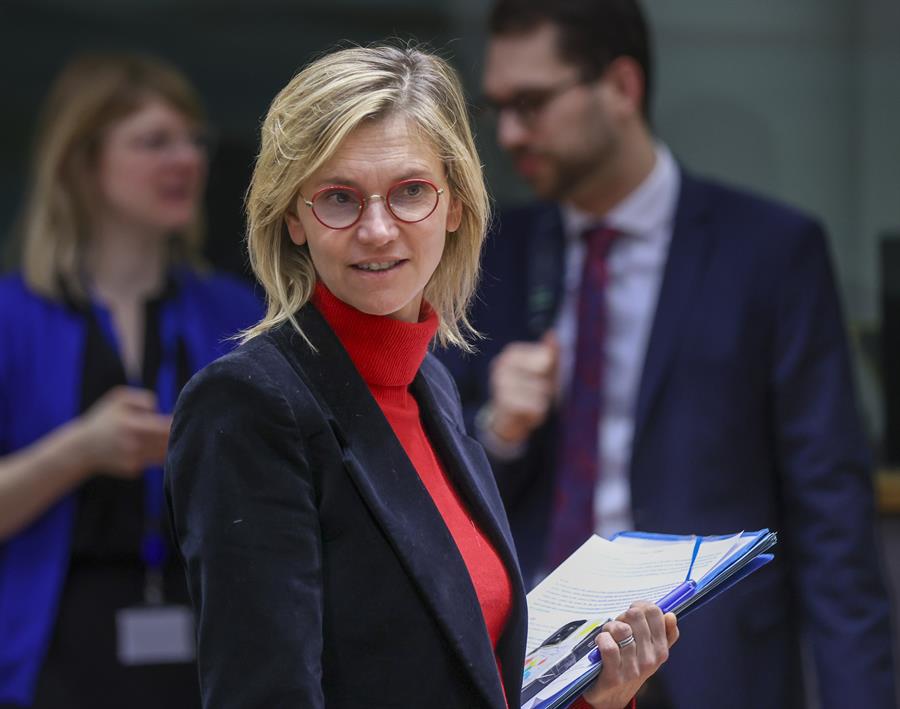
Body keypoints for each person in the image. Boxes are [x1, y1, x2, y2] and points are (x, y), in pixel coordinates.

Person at [165, 44, 678, 709]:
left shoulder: (430, 383)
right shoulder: (248, 405)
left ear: (455, 205)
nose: (378, 230)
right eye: (338, 198)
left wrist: (593, 697)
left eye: (410, 191)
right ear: (293, 217)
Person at [436, 1, 897, 708]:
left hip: (709, 662)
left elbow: (831, 512)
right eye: (498, 106)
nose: (509, 133)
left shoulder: (769, 253)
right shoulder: (490, 255)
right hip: (529, 664)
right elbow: (434, 477)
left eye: (532, 103)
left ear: (621, 87)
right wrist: (500, 428)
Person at [0, 53, 260, 708]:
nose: (186, 160)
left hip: (216, 645)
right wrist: (81, 450)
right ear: (82, 163)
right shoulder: (11, 316)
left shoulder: (239, 314)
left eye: (192, 140)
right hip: (48, 652)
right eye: (153, 142)